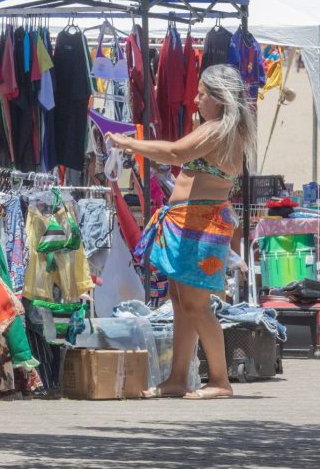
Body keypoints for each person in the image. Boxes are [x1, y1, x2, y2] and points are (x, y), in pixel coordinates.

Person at [107, 63, 255, 400]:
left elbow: (176, 152)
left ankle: (220, 380)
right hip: (187, 223)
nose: (195, 98)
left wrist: (129, 143)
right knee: (180, 301)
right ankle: (177, 378)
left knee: (196, 305)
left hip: (201, 226)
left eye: (202, 93)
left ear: (219, 97)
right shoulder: (214, 128)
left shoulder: (219, 129)